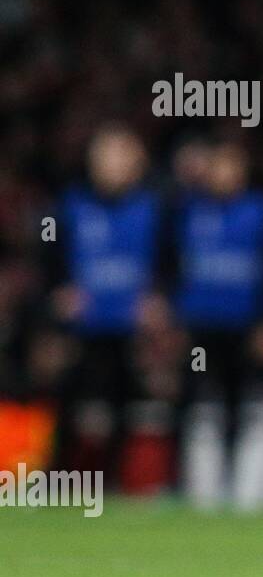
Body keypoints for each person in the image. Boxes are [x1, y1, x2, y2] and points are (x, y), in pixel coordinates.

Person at [52, 126, 162, 485]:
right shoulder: (71, 205)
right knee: (68, 396)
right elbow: (49, 259)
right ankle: (57, 477)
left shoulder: (154, 208)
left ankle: (113, 482)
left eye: (120, 157)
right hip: (81, 324)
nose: (112, 166)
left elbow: (172, 262)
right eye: (105, 157)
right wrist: (60, 292)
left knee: (123, 401)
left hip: (130, 325)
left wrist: (156, 299)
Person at [169, 142, 263, 495]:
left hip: (241, 326)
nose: (225, 174)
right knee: (184, 402)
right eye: (218, 166)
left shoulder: (260, 211)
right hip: (196, 325)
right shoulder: (187, 209)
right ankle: (178, 483)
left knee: (235, 406)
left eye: (232, 166)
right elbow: (168, 262)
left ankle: (229, 485)